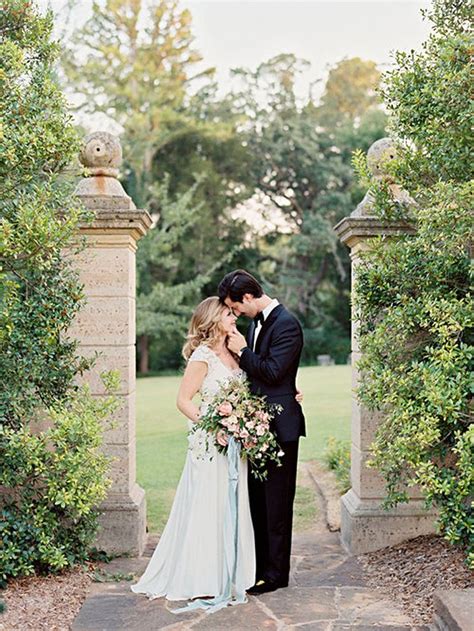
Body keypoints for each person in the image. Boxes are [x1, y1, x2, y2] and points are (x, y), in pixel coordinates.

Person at [130, 297, 256, 612]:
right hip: (210, 443)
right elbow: (184, 400)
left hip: (236, 444)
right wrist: (214, 425)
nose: (234, 316)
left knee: (232, 506)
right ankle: (203, 577)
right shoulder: (203, 356)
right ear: (213, 319)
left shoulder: (236, 351)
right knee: (208, 504)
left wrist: (246, 424)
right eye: (229, 313)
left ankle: (231, 574)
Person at [218, 269, 306, 595]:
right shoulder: (255, 324)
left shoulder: (287, 324)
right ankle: (258, 568)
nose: (236, 313)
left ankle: (276, 575)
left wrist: (242, 351)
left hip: (281, 427)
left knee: (278, 503)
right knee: (257, 500)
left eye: (236, 306)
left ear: (250, 297)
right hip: (255, 425)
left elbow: (271, 372)